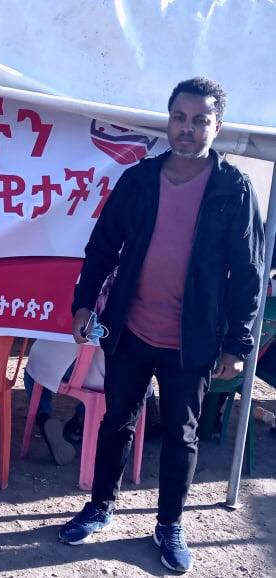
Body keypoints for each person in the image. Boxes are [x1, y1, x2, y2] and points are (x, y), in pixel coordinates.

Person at [59, 78, 264, 574]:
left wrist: (237, 344)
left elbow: (249, 272)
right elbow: (102, 246)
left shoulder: (233, 188)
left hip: (192, 341)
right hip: (129, 330)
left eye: (200, 120)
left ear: (217, 125)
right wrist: (84, 305)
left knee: (181, 435)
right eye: (180, 117)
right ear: (168, 119)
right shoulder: (140, 180)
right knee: (116, 422)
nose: (188, 128)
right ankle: (99, 507)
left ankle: (169, 525)